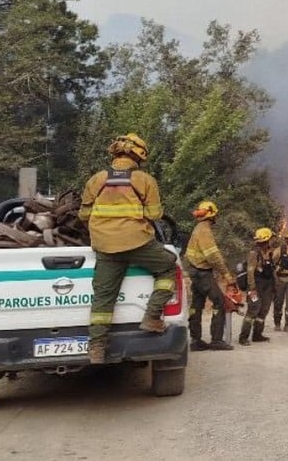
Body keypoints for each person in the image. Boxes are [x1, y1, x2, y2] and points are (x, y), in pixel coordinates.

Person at [80, 133, 177, 364]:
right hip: (137, 243)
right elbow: (155, 215)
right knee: (168, 267)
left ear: (115, 152)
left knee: (103, 298)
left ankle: (97, 348)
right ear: (139, 155)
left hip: (105, 246)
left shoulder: (97, 179)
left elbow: (83, 214)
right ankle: (151, 317)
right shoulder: (144, 180)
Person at [185, 200, 237, 351]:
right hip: (202, 273)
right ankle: (216, 340)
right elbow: (213, 257)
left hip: (194, 271)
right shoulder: (205, 231)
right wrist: (227, 275)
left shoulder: (198, 228)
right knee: (219, 301)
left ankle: (195, 340)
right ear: (212, 215)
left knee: (196, 305)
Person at [239, 227, 277, 346]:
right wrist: (252, 288)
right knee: (253, 309)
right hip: (255, 286)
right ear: (266, 240)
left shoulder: (269, 252)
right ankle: (243, 337)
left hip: (267, 286)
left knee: (264, 310)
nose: (271, 241)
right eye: (270, 239)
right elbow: (250, 272)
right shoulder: (254, 253)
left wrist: (274, 287)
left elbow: (272, 270)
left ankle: (257, 335)